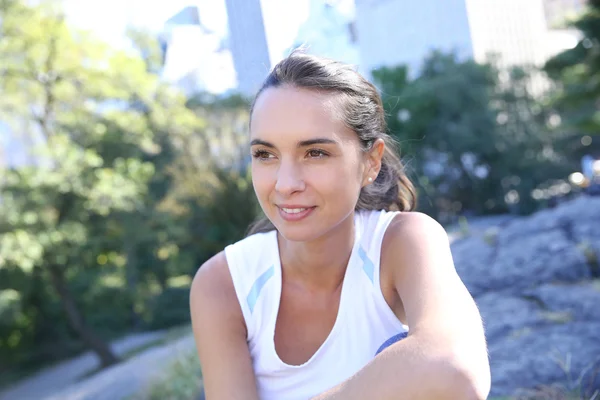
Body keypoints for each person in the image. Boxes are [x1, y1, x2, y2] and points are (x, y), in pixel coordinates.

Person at [190, 51, 491, 400]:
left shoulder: (402, 242)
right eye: (265, 154)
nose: (285, 184)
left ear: (370, 162)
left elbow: (454, 368)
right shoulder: (225, 285)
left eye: (315, 152)